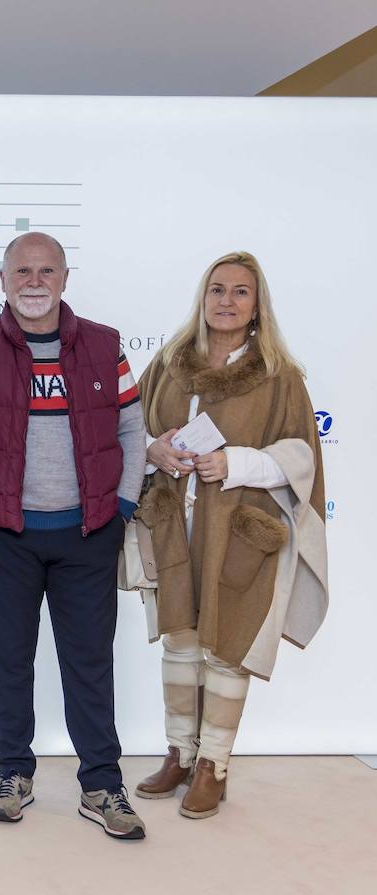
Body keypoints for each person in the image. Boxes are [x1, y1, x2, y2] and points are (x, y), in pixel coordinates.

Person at [0, 231, 148, 840]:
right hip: (4, 536)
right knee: (7, 661)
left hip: (87, 534)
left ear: (65, 279)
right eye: (22, 271)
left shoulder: (103, 345)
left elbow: (131, 432)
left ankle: (101, 783)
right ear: (3, 280)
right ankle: (13, 773)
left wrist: (120, 508)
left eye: (46, 271)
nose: (33, 282)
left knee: (90, 662)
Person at [132, 252, 327, 818]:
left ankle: (214, 765)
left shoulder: (278, 375)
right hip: (177, 524)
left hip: (241, 531)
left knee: (228, 645)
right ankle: (180, 755)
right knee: (181, 639)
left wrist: (236, 463)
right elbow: (134, 427)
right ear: (203, 297)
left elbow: (299, 454)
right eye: (217, 289)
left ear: (256, 305)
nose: (226, 300)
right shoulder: (169, 363)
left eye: (240, 292)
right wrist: (155, 450)